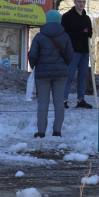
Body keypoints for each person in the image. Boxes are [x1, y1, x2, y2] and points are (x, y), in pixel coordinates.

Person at [27, 9, 75, 138]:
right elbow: (70, 55)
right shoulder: (65, 36)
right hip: (60, 74)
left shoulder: (39, 36)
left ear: (46, 20)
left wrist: (34, 66)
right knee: (59, 102)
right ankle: (57, 131)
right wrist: (64, 65)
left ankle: (41, 131)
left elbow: (32, 54)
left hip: (43, 74)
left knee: (43, 102)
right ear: (59, 21)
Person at [61, 0, 94, 108]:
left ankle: (81, 99)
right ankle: (63, 100)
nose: (81, 4)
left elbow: (89, 32)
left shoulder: (87, 18)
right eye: (79, 1)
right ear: (74, 2)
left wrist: (85, 32)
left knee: (83, 76)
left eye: (83, 2)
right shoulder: (67, 17)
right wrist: (81, 33)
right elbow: (64, 34)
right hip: (72, 51)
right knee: (69, 75)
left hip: (85, 51)